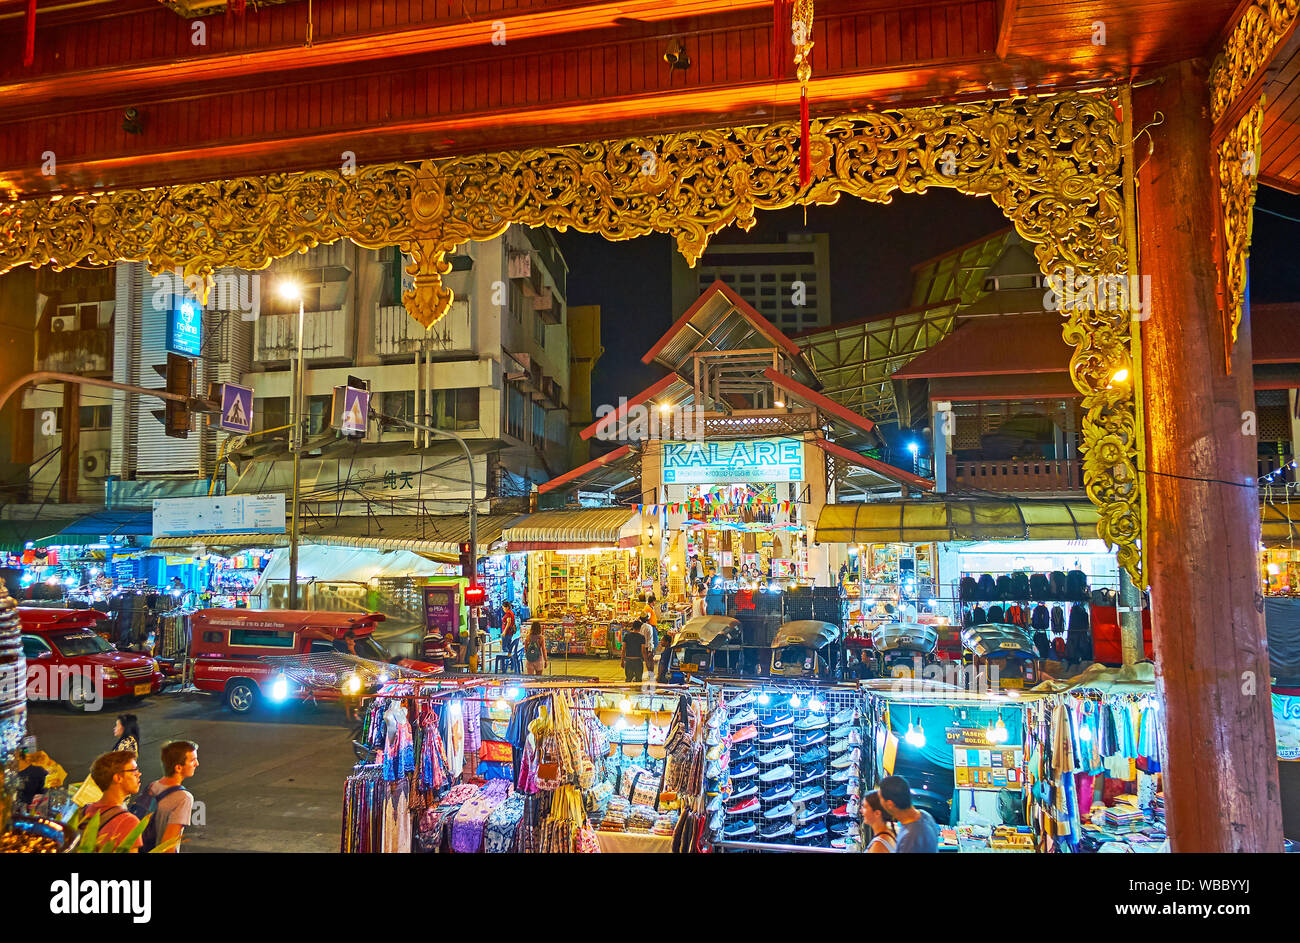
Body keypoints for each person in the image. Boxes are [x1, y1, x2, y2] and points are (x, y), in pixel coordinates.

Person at [80, 750, 144, 852]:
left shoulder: (82, 812)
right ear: (118, 778)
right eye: (134, 770)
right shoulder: (128, 821)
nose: (139, 774)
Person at [143, 740, 198, 853]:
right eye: (192, 760)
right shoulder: (183, 798)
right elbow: (168, 845)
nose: (197, 763)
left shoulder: (152, 786)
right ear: (178, 768)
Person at [878, 775, 939, 853]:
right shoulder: (925, 815)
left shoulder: (910, 838)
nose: (879, 803)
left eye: (880, 799)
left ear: (890, 804)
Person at [622, 618, 648, 682]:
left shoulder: (626, 636)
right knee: (638, 680)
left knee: (628, 679)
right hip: (638, 661)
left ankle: (628, 692)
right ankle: (638, 691)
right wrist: (646, 661)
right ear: (640, 628)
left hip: (628, 660)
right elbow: (643, 651)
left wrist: (622, 660)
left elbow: (623, 649)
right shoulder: (641, 637)